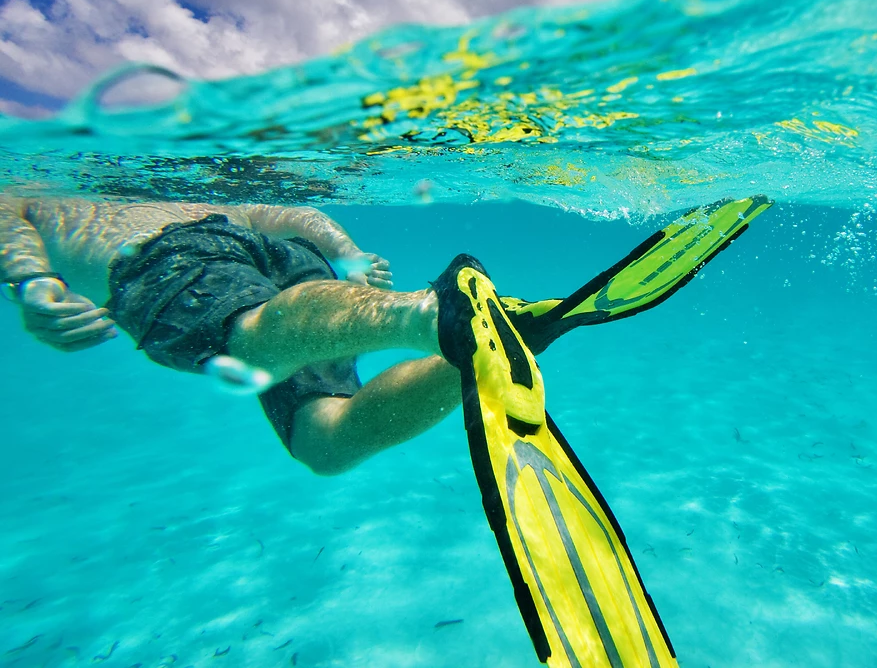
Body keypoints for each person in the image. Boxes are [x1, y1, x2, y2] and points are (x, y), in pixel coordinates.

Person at [0, 193, 772, 478]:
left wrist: (35, 289)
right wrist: (343, 255)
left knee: (243, 342)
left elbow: (9, 223)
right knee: (323, 442)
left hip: (162, 262)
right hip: (280, 251)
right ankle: (503, 333)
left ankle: (430, 314)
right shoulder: (201, 191)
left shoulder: (38, 188)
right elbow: (290, 218)